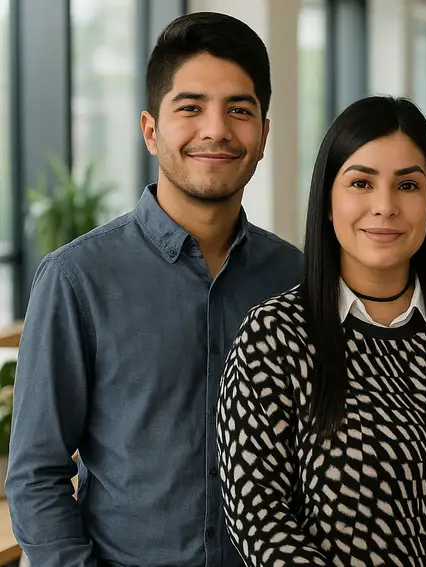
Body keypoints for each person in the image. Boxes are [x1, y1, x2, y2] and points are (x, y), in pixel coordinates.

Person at [6, 12, 303, 567]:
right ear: (150, 130)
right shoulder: (77, 280)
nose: (215, 129)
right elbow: (37, 474)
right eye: (190, 108)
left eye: (239, 110)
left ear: (263, 134)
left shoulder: (298, 279)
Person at [215, 95, 426, 566]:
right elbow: (257, 515)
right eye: (361, 182)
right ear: (327, 201)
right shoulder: (271, 338)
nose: (385, 206)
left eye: (407, 185)